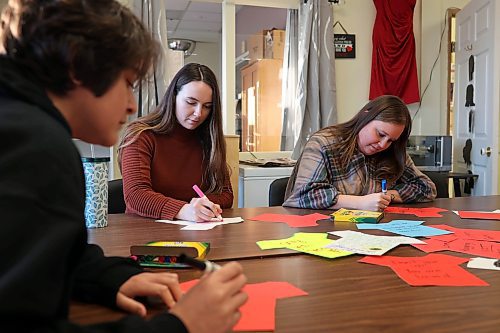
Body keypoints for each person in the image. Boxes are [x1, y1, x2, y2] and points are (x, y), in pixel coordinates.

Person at [0, 1, 247, 332]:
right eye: (128, 82)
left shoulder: (21, 127)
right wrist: (180, 325)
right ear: (78, 68)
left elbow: (52, 256)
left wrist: (107, 277)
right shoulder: (37, 147)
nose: (131, 104)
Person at [118, 63, 233, 222]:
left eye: (207, 106)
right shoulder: (141, 135)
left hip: (196, 230)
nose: (198, 113)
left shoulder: (209, 139)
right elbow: (136, 195)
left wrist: (204, 206)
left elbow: (226, 194)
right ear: (173, 97)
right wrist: (185, 210)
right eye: (191, 102)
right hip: (145, 231)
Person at [283, 95, 436, 211]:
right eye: (380, 134)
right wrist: (361, 203)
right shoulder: (323, 143)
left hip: (371, 233)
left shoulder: (390, 150)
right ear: (366, 115)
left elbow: (426, 188)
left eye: (391, 140)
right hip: (321, 233)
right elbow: (303, 195)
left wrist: (386, 196)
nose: (383, 145)